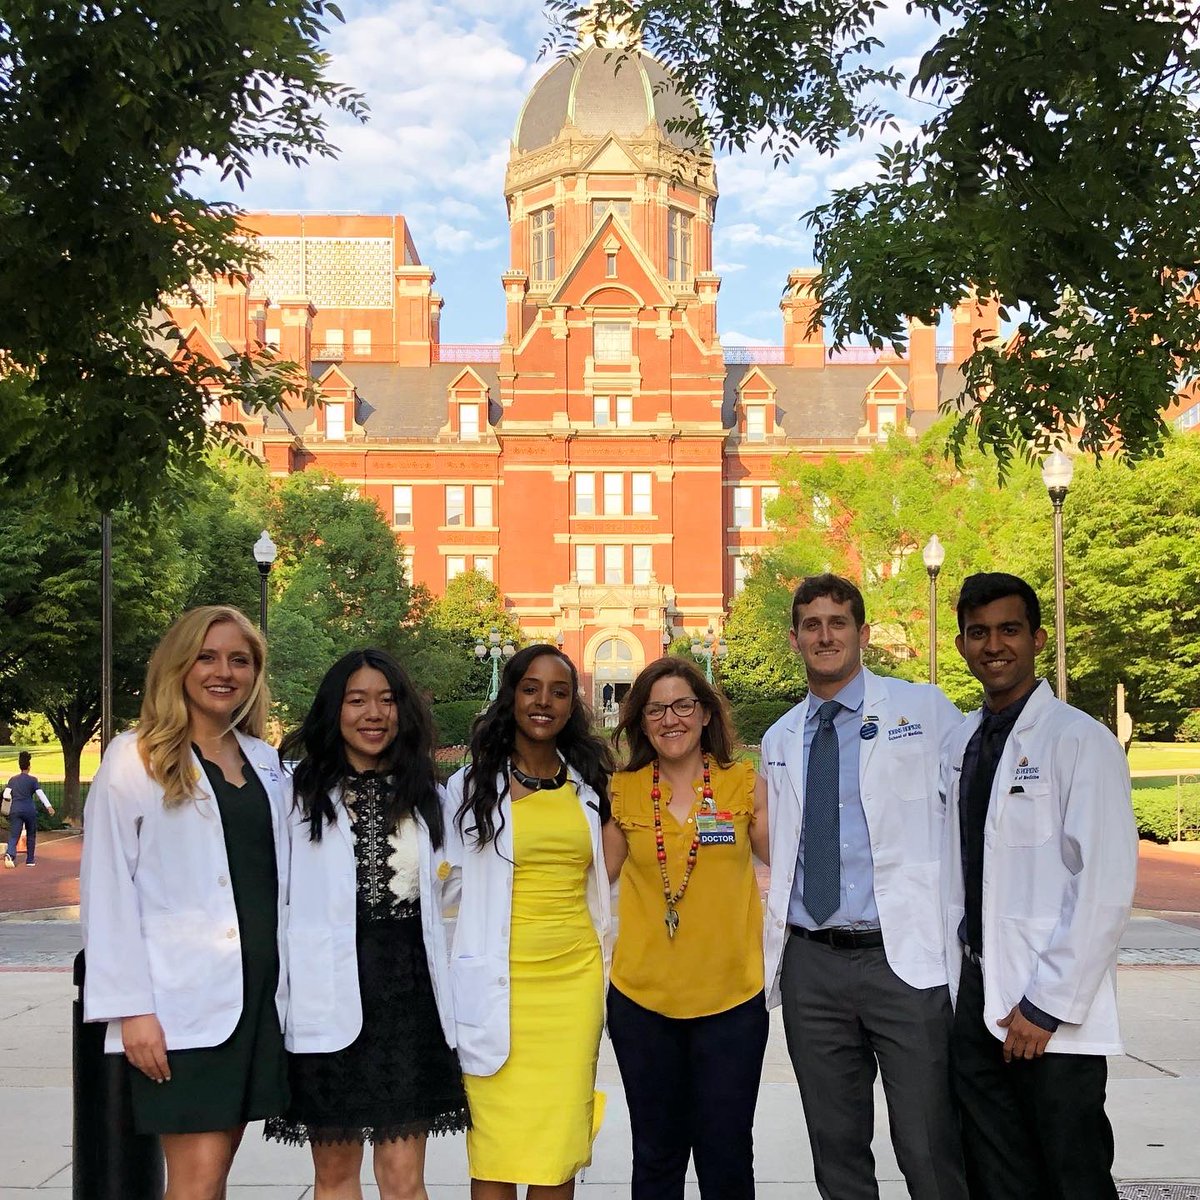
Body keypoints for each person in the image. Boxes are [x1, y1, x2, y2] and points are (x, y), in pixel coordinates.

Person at [759, 573, 968, 1200]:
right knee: (836, 1148)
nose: (825, 636)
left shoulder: (923, 711)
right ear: (795, 639)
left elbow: (974, 812)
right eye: (812, 625)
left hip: (901, 963)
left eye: (838, 622)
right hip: (812, 967)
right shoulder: (779, 738)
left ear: (862, 633)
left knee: (929, 1142)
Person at [80, 605, 290, 1199]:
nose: (224, 671)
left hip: (258, 999)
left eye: (240, 660)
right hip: (182, 1006)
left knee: (214, 1175)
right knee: (195, 1181)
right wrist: (132, 1010)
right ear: (179, 664)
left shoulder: (267, 763)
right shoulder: (135, 758)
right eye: (207, 656)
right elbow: (107, 891)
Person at [942, 572, 1137, 1200]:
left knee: (1071, 1174)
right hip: (975, 998)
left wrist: (1047, 1004)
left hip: (1049, 1014)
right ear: (962, 645)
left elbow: (1104, 884)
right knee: (995, 1176)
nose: (993, 645)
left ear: (1037, 638)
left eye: (1008, 630)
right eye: (978, 633)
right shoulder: (963, 741)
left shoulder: (1080, 740)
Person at [264, 648, 469, 1199]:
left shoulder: (431, 796)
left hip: (408, 998)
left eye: (386, 700)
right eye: (357, 700)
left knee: (404, 1180)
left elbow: (451, 883)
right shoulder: (294, 795)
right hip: (327, 995)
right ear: (335, 710)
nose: (373, 713)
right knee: (334, 1177)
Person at [442, 643, 613, 1200]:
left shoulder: (592, 784)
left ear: (572, 705)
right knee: (494, 1150)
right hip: (497, 983)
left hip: (572, 984)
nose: (544, 701)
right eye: (531, 688)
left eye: (560, 692)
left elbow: (608, 871)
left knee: (556, 1150)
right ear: (511, 696)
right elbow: (444, 885)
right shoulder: (468, 788)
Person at [603, 656, 769, 1199]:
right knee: (655, 1156)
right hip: (643, 1004)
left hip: (731, 1003)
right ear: (640, 721)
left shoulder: (744, 784)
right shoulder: (621, 792)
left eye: (682, 705)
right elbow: (581, 882)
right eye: (656, 709)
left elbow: (796, 866)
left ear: (704, 714)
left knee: (726, 1157)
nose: (670, 719)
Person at [4, 750, 55, 867]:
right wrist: (49, 806)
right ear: (29, 766)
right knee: (31, 834)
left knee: (14, 834)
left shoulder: (12, 780)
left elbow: (6, 794)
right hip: (29, 809)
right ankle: (30, 860)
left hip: (15, 809)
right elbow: (40, 794)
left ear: (19, 765)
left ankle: (10, 854)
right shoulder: (33, 780)